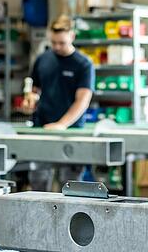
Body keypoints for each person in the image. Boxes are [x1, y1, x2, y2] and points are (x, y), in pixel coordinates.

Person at [21, 14, 95, 190]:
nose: (56, 47)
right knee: (38, 182)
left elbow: (83, 100)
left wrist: (62, 124)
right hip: (43, 129)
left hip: (71, 132)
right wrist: (30, 101)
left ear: (72, 36)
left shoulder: (83, 64)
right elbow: (35, 89)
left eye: (61, 43)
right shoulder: (43, 59)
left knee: (70, 186)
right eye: (53, 42)